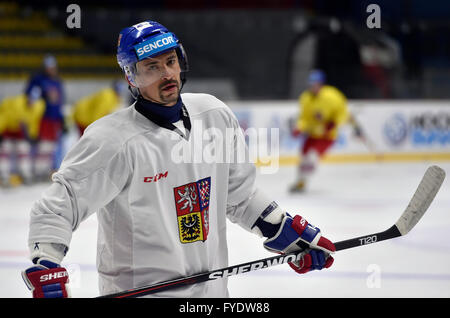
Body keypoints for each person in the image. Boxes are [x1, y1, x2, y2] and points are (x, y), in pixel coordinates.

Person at [22, 21, 336, 298]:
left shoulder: (214, 115)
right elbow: (59, 205)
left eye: (171, 62)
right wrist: (47, 263)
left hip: (213, 293)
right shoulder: (112, 140)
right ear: (132, 77)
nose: (167, 74)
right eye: (152, 67)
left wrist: (282, 229)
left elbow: (239, 195)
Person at [290, 70, 349, 193]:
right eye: (311, 84)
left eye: (315, 84)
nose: (313, 87)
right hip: (312, 135)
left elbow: (343, 113)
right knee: (304, 159)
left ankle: (303, 180)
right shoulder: (305, 98)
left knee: (312, 157)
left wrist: (334, 122)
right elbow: (304, 118)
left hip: (327, 136)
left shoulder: (332, 96)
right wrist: (299, 128)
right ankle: (300, 181)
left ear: (321, 84)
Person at [24, 54, 65, 182]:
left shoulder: (57, 82)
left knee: (54, 147)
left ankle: (51, 170)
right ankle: (34, 171)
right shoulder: (38, 80)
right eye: (49, 67)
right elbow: (30, 99)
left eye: (53, 67)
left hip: (55, 119)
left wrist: (61, 118)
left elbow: (59, 101)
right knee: (41, 146)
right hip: (43, 119)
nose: (52, 69)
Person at [0, 91, 45, 186]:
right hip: (8, 130)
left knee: (24, 151)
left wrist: (33, 135)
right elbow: (3, 117)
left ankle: (26, 174)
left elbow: (32, 122)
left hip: (20, 132)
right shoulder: (16, 105)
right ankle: (4, 175)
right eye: (31, 99)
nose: (32, 102)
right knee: (5, 152)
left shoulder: (37, 108)